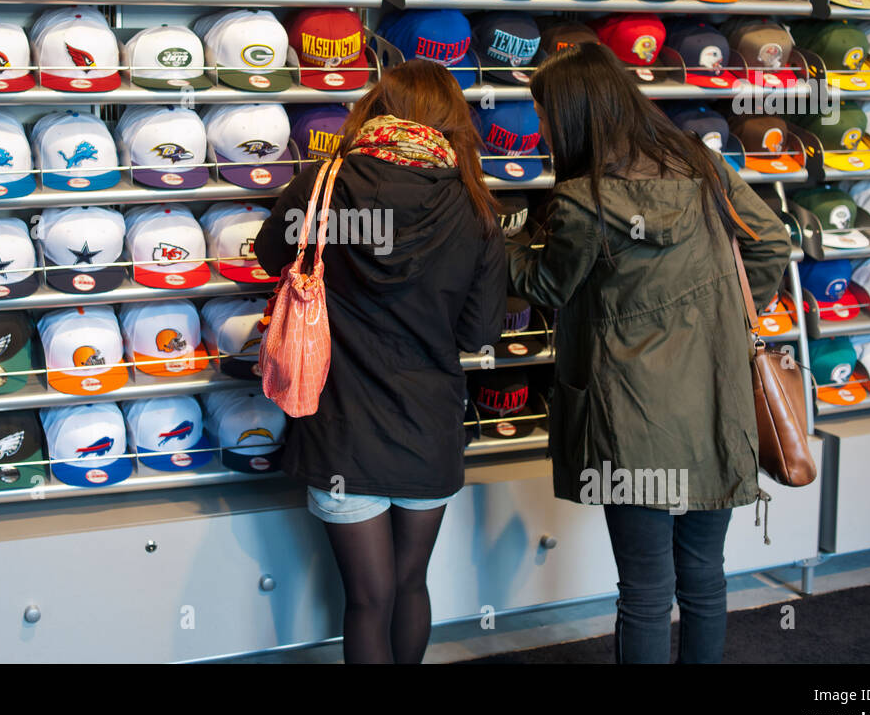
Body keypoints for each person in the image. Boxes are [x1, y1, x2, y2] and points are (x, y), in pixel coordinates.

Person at [507, 42, 792, 664]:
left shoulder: (585, 198)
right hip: (717, 405)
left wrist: (504, 240)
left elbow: (543, 285)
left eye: (547, 116)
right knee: (704, 576)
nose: (545, 131)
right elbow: (771, 240)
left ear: (577, 116)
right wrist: (720, 320)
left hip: (629, 416)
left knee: (643, 588)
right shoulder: (701, 165)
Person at [254, 59, 505, 664]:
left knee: (366, 598)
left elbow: (268, 256)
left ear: (375, 110)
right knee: (409, 584)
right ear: (453, 123)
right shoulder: (475, 206)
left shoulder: (325, 183)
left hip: (341, 425)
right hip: (429, 425)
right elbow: (478, 332)